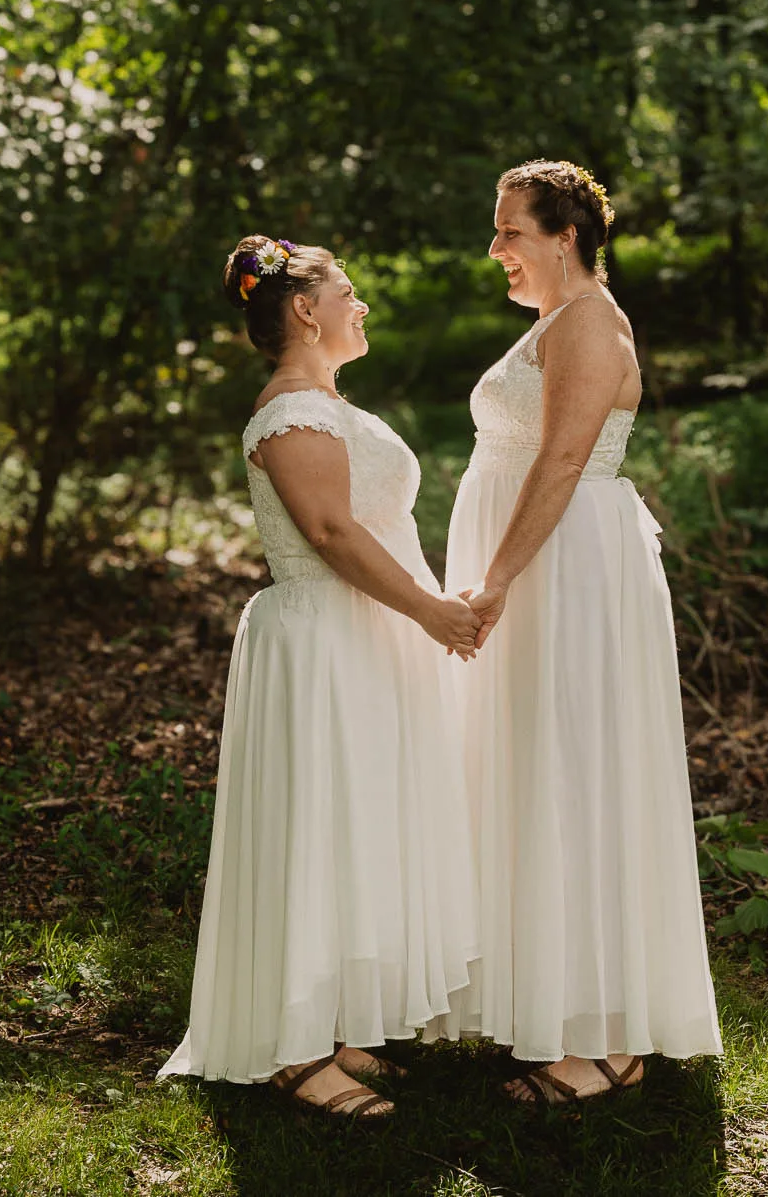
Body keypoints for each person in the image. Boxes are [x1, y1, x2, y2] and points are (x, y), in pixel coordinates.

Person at [159, 236, 483, 1119]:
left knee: (361, 828)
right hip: (321, 644)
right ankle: (292, 1050)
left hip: (369, 640)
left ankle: (343, 1025)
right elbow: (333, 535)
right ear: (305, 308)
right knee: (318, 827)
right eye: (348, 289)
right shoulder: (290, 411)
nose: (361, 303)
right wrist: (430, 610)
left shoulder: (327, 403)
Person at [448, 161, 723, 1104]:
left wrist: (494, 582)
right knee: (533, 774)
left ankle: (605, 1039)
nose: (497, 249)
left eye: (509, 231)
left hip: (567, 576)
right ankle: (546, 998)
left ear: (563, 234)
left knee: (578, 775)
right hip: (542, 569)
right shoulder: (554, 323)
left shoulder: (594, 324)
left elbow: (563, 463)